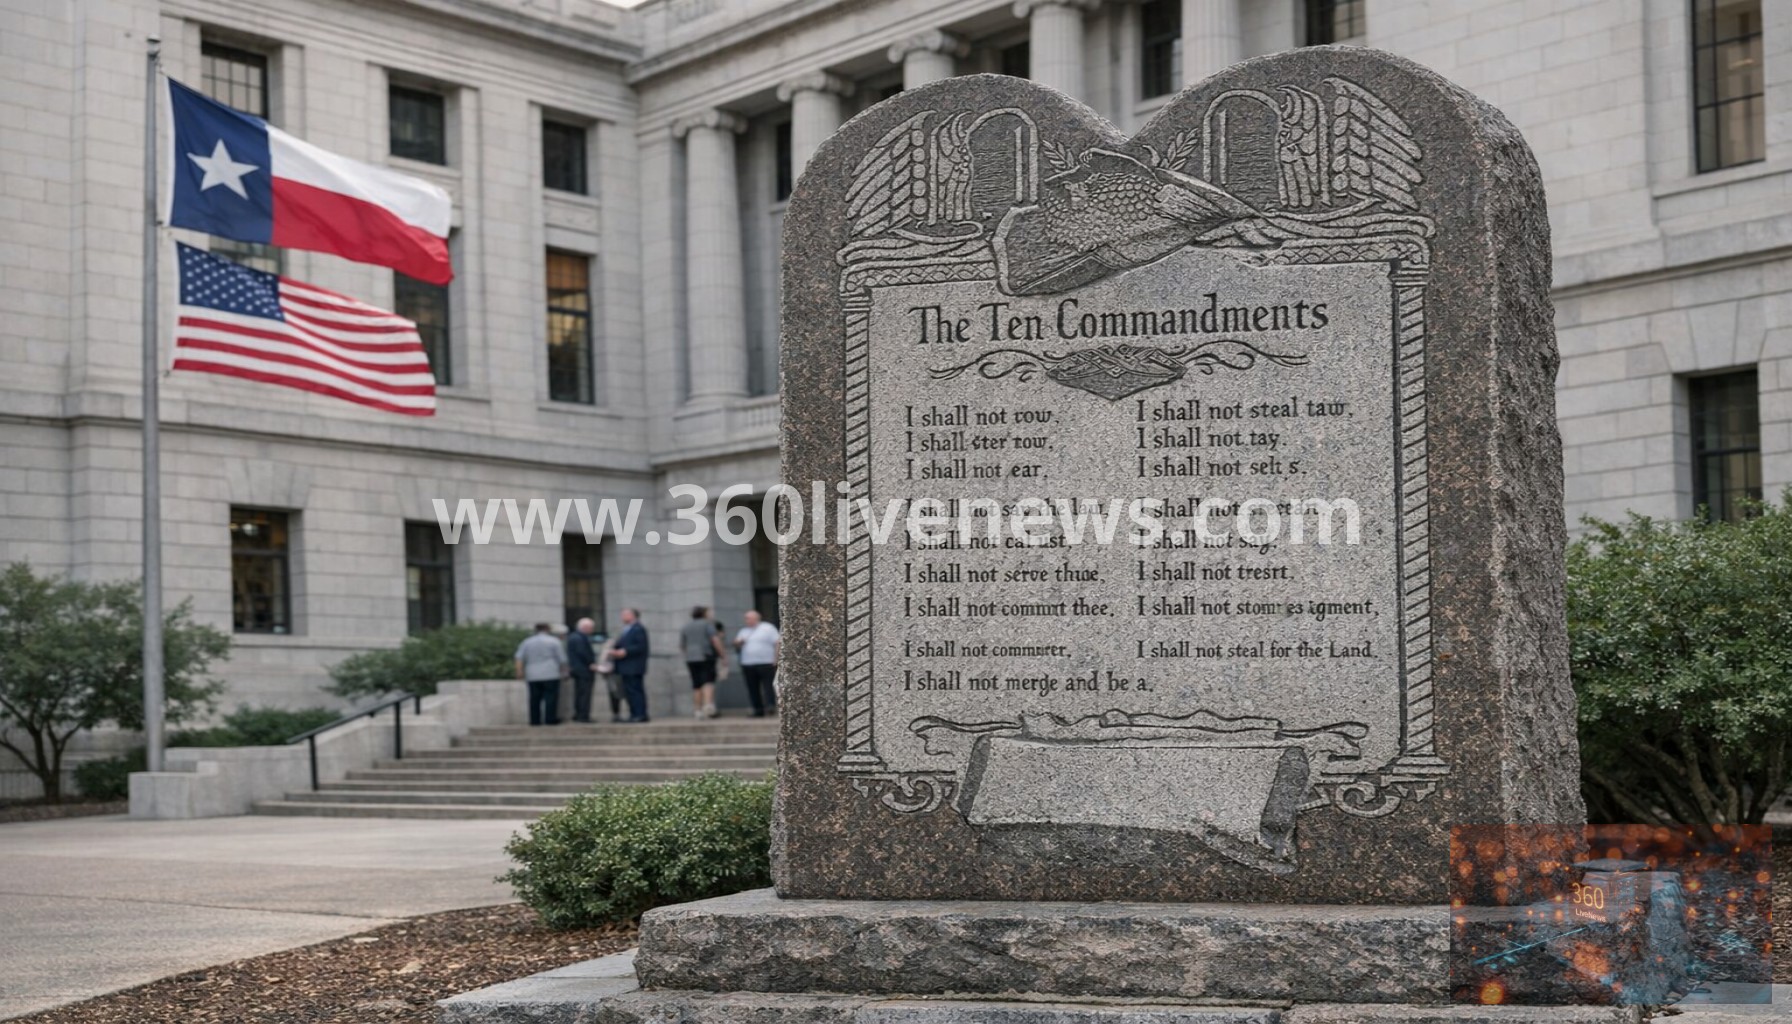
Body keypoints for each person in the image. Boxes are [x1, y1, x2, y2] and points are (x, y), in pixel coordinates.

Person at [514, 622, 568, 726]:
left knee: (534, 698)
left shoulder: (527, 642)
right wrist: (565, 672)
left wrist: (519, 671)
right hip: (551, 673)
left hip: (532, 674)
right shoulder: (554, 641)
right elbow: (562, 659)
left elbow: (519, 657)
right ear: (548, 630)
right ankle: (550, 719)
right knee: (551, 697)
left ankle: (535, 720)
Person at [680, 606, 728, 719]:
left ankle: (697, 710)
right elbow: (715, 640)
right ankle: (708, 706)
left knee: (696, 685)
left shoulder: (686, 627)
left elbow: (682, 645)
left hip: (691, 658)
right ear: (704, 614)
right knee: (708, 681)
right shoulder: (707, 625)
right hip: (706, 656)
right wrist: (723, 655)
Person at [606, 607, 651, 723]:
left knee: (635, 691)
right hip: (624, 667)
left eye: (625, 614)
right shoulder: (626, 630)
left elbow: (641, 647)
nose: (622, 616)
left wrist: (624, 651)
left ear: (632, 615)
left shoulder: (638, 629)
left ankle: (640, 714)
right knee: (628, 692)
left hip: (634, 666)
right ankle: (633, 713)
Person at [733, 609, 780, 717]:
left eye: (748, 618)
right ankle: (757, 709)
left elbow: (777, 642)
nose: (746, 620)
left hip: (766, 662)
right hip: (748, 663)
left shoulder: (767, 628)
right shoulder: (744, 631)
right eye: (746, 618)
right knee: (752, 688)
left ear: (756, 618)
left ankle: (770, 706)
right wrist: (738, 643)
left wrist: (776, 658)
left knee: (768, 685)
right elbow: (736, 644)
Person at [566, 617, 600, 723]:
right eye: (591, 628)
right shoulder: (580, 638)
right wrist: (591, 663)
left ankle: (579, 713)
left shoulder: (573, 637)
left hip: (577, 669)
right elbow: (583, 653)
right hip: (584, 670)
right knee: (584, 694)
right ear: (585, 627)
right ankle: (583, 715)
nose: (592, 630)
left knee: (580, 693)